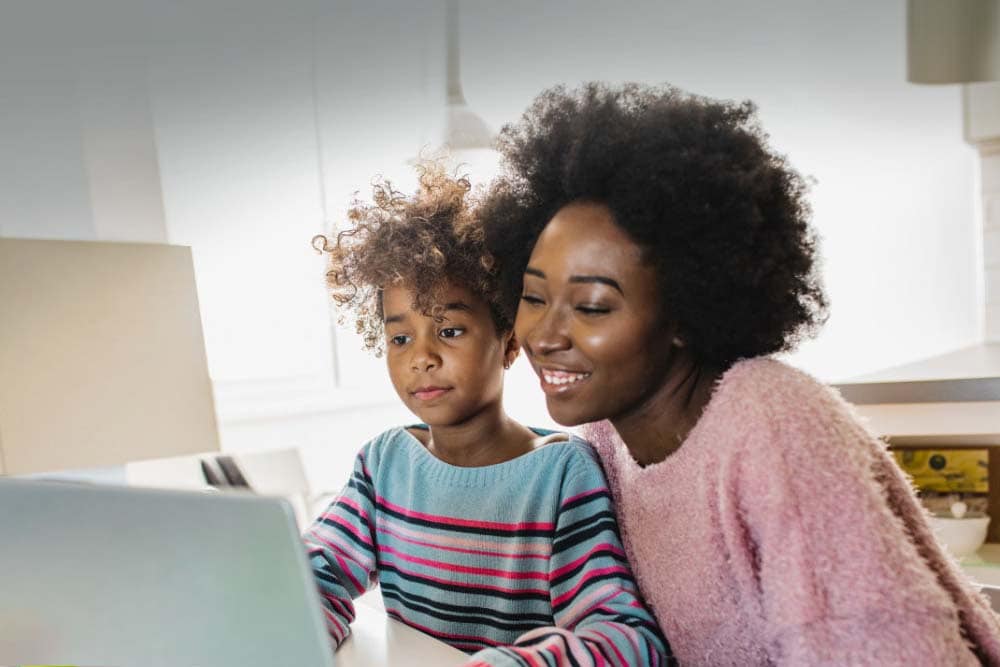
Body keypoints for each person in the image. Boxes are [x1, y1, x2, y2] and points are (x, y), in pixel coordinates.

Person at [479, 82, 1000, 666]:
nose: (546, 336)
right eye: (532, 297)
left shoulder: (773, 422)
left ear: (685, 309)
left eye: (593, 306)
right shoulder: (604, 440)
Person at [304, 161, 670, 666]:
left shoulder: (562, 473)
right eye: (400, 338)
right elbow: (315, 570)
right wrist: (300, 628)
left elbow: (625, 637)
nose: (422, 356)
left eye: (449, 331)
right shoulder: (382, 464)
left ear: (510, 342)